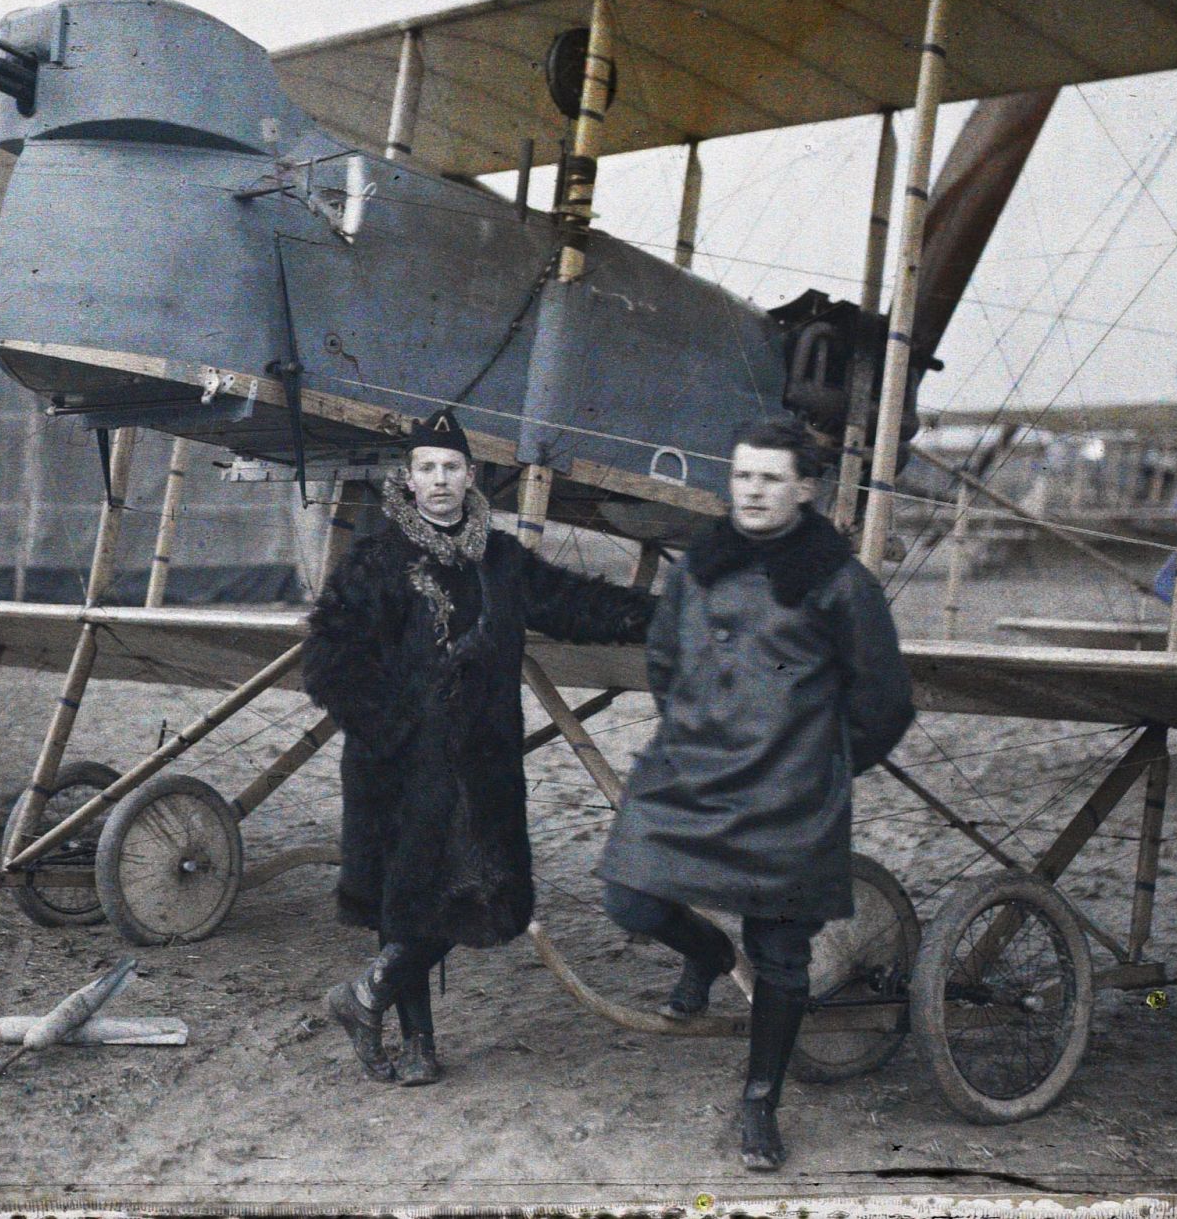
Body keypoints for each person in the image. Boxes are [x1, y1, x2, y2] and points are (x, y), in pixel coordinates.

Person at [595, 418, 914, 1170]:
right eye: (743, 477)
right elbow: (665, 662)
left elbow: (885, 703)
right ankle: (705, 954)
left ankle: (760, 1100)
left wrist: (822, 765)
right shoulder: (700, 566)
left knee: (779, 954)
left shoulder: (841, 582)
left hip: (791, 792)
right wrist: (697, 737)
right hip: (692, 774)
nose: (754, 491)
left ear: (805, 489)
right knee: (630, 898)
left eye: (771, 479)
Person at [303, 408, 656, 1086]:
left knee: (491, 897)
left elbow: (577, 603)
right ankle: (417, 1043)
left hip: (482, 763)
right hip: (400, 768)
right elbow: (326, 661)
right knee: (407, 901)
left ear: (472, 476)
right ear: (408, 478)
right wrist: (394, 728)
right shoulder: (377, 558)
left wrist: (663, 614)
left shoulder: (500, 559)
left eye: (452, 468)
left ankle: (364, 996)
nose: (440, 480)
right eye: (427, 468)